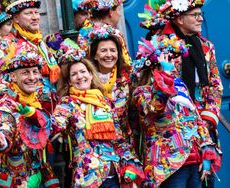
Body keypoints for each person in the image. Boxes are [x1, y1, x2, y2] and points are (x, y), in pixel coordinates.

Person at [132, 0, 222, 187]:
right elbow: (149, 85)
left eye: (201, 14)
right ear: (180, 18)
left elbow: (214, 85)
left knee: (205, 180)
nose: (200, 19)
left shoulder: (206, 46)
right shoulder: (161, 46)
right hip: (171, 131)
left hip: (201, 127)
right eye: (195, 15)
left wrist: (207, 118)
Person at [51, 38, 144, 187]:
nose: (80, 76)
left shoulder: (104, 102)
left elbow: (119, 139)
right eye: (74, 74)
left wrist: (130, 164)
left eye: (83, 71)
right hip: (88, 178)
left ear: (90, 74)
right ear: (69, 81)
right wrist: (35, 117)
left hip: (114, 175)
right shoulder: (68, 103)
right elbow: (55, 125)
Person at [0, 45, 50, 187]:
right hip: (16, 181)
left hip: (38, 176)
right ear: (13, 76)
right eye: (25, 73)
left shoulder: (38, 101)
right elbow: (4, 124)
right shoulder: (6, 104)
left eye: (35, 72)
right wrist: (2, 140)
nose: (32, 77)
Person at [0, 0, 60, 114]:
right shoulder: (6, 44)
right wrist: (20, 109)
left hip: (51, 112)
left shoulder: (40, 42)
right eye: (29, 13)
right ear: (16, 18)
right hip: (26, 113)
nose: (35, 17)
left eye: (36, 12)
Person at [88, 25, 134, 145]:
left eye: (113, 50)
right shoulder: (87, 81)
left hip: (125, 143)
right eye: (103, 51)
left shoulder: (128, 78)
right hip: (99, 143)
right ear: (95, 55)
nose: (109, 55)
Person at [78, 0, 132, 66]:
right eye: (118, 10)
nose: (120, 14)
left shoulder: (82, 33)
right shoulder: (115, 34)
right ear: (110, 12)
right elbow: (126, 64)